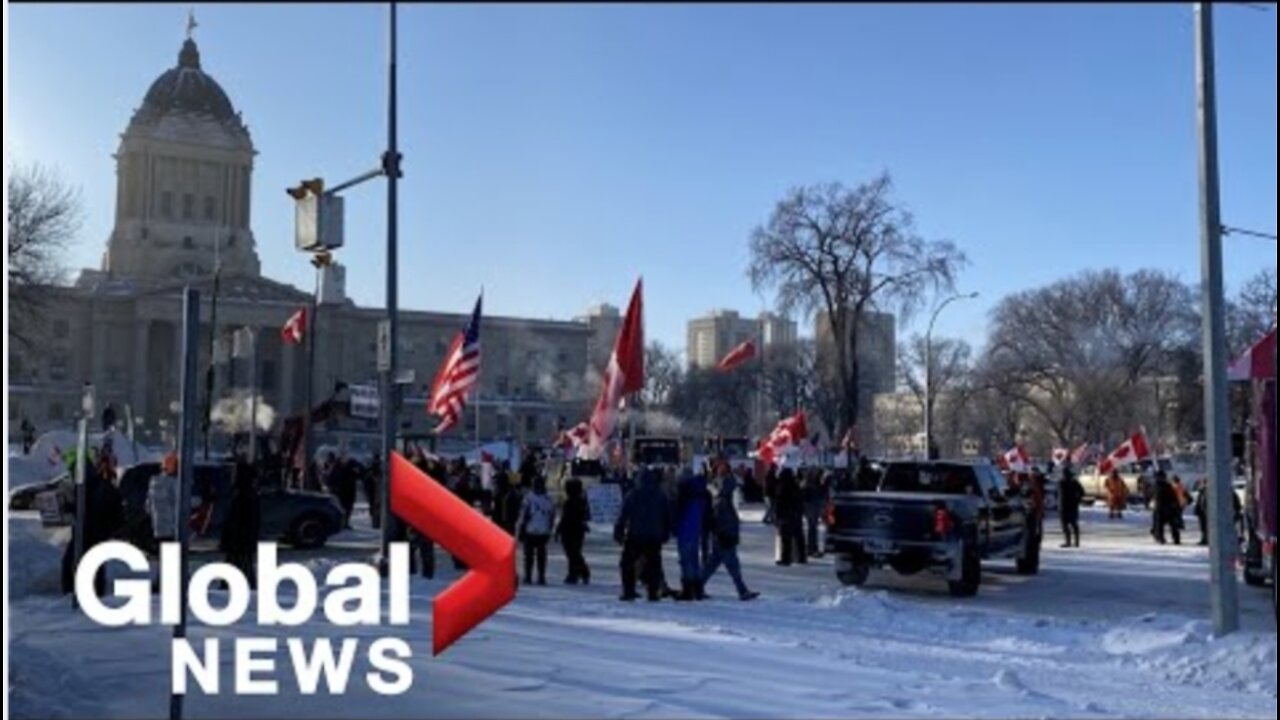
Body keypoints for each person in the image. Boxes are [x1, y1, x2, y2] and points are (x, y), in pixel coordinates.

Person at [61, 454, 124, 596]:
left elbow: (92, 510)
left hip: (92, 531)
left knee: (77, 562)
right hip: (91, 531)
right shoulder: (89, 486)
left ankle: (78, 592)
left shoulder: (93, 487)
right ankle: (86, 592)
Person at [614, 469, 673, 602]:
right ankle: (653, 591)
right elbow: (667, 516)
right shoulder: (660, 495)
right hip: (654, 535)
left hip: (635, 534)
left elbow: (624, 514)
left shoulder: (633, 494)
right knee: (654, 564)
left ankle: (628, 590)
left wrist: (619, 530)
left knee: (627, 563)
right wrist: (666, 532)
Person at [703, 468, 759, 602]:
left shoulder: (722, 501)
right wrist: (727, 533)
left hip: (724, 538)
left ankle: (697, 585)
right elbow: (720, 521)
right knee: (733, 567)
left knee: (712, 565)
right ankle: (742, 590)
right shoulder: (722, 502)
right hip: (725, 538)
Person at [221, 459, 261, 588]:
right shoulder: (248, 495)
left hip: (238, 539)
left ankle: (229, 585)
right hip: (242, 539)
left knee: (237, 563)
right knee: (243, 564)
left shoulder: (239, 495)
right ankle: (246, 585)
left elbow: (232, 520)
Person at [674, 473, 714, 601]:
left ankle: (687, 589)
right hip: (697, 530)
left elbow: (677, 512)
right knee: (694, 559)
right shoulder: (703, 496)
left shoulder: (684, 496)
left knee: (686, 561)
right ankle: (697, 588)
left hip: (684, 530)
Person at [557, 478, 592, 585]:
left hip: (571, 529)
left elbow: (566, 517)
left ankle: (579, 572)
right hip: (576, 530)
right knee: (574, 552)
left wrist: (559, 528)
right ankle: (576, 572)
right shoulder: (581, 501)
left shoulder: (572, 502)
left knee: (573, 553)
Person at [774, 469, 807, 566]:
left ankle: (786, 558)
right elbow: (800, 500)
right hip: (796, 515)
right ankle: (802, 557)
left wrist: (778, 515)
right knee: (799, 536)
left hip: (786, 515)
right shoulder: (796, 486)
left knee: (786, 538)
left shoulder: (782, 487)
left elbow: (780, 503)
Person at [802, 469, 829, 558]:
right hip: (813, 507)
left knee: (812, 528)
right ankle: (812, 548)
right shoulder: (815, 486)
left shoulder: (807, 485)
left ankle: (811, 548)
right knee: (813, 528)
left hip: (811, 507)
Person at [1152, 472, 1183, 545]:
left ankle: (1161, 538)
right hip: (1168, 508)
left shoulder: (1155, 486)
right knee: (1172, 525)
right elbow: (1173, 497)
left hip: (1160, 508)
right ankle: (1175, 539)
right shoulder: (1167, 486)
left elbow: (1151, 496)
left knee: (1159, 525)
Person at [1058, 463, 1084, 548]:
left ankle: (1069, 542)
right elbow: (1082, 493)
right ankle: (1076, 542)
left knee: (1066, 525)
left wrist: (1077, 500)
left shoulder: (1061, 483)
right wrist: (1077, 500)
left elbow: (1059, 496)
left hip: (1064, 506)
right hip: (1072, 506)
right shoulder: (1074, 482)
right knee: (1073, 524)